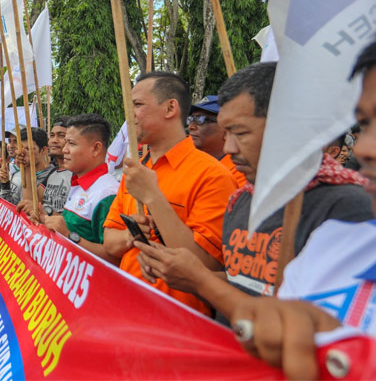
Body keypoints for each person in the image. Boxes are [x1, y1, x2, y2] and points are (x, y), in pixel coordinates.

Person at [132, 63, 372, 321]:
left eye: (241, 133)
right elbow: (246, 282)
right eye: (226, 133)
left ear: (288, 129)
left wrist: (202, 281)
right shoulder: (241, 200)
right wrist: (180, 273)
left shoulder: (345, 208)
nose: (229, 147)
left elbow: (320, 328)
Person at [227, 41, 376, 380]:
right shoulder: (331, 243)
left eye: (240, 132)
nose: (365, 147)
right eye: (365, 123)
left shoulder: (345, 204)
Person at [102, 72, 238, 316]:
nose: (129, 114)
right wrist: (130, 237)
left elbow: (205, 265)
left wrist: (153, 196)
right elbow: (109, 240)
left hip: (178, 322)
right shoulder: (136, 170)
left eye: (138, 105)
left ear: (170, 108)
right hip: (126, 309)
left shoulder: (212, 175)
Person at [42, 114, 119, 261]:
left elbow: (114, 259)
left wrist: (68, 236)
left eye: (71, 143)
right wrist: (45, 217)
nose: (64, 150)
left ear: (96, 148)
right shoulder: (77, 184)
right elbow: (74, 227)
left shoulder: (107, 194)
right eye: (65, 144)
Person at [188, 95, 247, 187]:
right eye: (191, 119)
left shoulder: (241, 170)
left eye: (200, 119)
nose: (191, 127)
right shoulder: (188, 162)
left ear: (227, 128)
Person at [0, 128, 53, 206]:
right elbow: (11, 207)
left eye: (28, 149)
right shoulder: (19, 173)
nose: (22, 153)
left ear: (43, 150)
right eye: (20, 149)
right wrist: (5, 184)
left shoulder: (52, 177)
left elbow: (32, 211)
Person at [41, 116, 73, 215]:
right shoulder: (53, 172)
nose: (54, 140)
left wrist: (47, 214)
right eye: (52, 135)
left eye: (61, 135)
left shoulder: (78, 174)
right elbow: (34, 200)